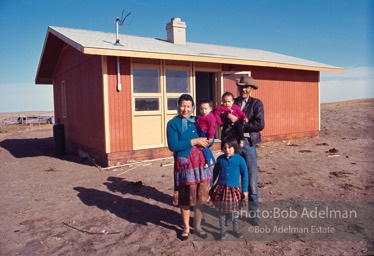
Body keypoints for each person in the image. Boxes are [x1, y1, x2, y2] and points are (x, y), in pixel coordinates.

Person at [166, 94, 213, 241]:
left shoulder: (198, 120)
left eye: (188, 106)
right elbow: (173, 145)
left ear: (192, 107)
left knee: (201, 197)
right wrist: (194, 141)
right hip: (185, 165)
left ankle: (197, 226)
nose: (185, 109)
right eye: (182, 105)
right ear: (178, 106)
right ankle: (186, 227)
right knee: (186, 198)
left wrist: (207, 142)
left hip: (202, 164)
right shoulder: (173, 124)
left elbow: (208, 138)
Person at [221, 75, 264, 225]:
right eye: (241, 86)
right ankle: (230, 214)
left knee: (251, 180)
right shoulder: (233, 103)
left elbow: (259, 124)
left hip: (249, 145)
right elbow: (223, 120)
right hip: (233, 145)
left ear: (252, 89)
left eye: (247, 87)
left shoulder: (257, 104)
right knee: (231, 179)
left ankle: (254, 214)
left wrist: (238, 123)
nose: (243, 89)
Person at [210, 136, 248, 240]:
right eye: (225, 148)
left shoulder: (240, 160)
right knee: (221, 211)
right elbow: (214, 174)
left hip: (234, 190)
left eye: (229, 148)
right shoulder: (220, 159)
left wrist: (245, 190)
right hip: (221, 190)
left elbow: (245, 175)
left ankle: (235, 229)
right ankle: (222, 231)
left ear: (235, 148)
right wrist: (210, 186)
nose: (227, 150)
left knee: (234, 211)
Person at [195, 99, 217, 168]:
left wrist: (210, 137)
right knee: (205, 147)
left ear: (210, 109)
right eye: (202, 109)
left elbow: (212, 128)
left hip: (207, 135)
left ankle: (208, 160)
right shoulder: (201, 117)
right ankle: (212, 160)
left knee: (203, 146)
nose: (203, 111)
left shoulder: (210, 117)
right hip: (202, 134)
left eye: (205, 109)